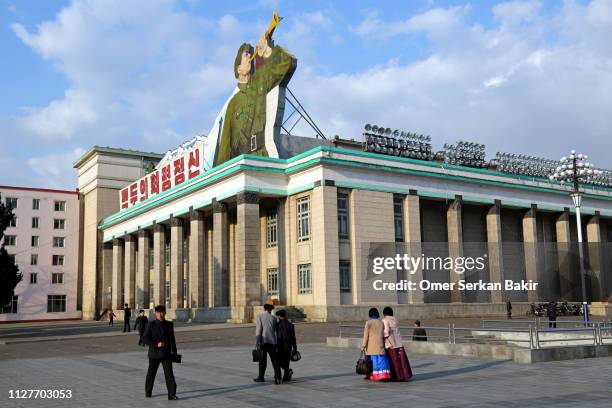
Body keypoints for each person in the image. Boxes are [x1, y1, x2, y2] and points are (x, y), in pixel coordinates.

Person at [215, 33, 296, 166]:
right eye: (246, 55)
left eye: (251, 54)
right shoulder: (233, 104)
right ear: (239, 69)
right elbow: (225, 146)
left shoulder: (260, 81)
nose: (251, 57)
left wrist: (268, 51)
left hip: (263, 156)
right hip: (241, 165)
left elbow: (287, 64)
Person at [142, 305, 178, 400]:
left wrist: (174, 351)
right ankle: (148, 392)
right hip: (154, 354)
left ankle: (172, 394)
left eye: (162, 312)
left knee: (169, 374)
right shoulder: (151, 324)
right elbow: (144, 338)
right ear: (156, 314)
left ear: (165, 313)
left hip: (166, 353)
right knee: (151, 373)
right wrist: (156, 344)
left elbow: (172, 339)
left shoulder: (169, 324)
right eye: (159, 313)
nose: (161, 314)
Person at [381, 307, 413, 382]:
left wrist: (382, 335)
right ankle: (405, 375)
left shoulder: (385, 320)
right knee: (401, 360)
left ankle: (396, 376)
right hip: (399, 342)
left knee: (393, 361)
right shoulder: (395, 319)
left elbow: (386, 332)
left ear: (384, 313)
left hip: (391, 343)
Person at [254, 301, 281, 384]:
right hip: (272, 342)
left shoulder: (259, 316)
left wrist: (257, 342)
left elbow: (259, 330)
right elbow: (276, 331)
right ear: (271, 309)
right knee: (274, 360)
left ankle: (261, 377)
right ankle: (277, 377)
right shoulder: (274, 318)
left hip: (263, 342)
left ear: (264, 308)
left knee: (262, 360)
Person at [362, 308, 391, 381]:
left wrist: (363, 345)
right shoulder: (381, 322)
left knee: (374, 361)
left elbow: (366, 336)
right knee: (382, 360)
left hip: (371, 346)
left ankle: (375, 376)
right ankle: (384, 375)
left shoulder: (368, 323)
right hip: (380, 344)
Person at [275, 309, 297, 383]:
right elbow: (293, 338)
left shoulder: (278, 325)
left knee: (278, 362)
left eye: (278, 316)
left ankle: (287, 372)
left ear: (280, 316)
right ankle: (286, 377)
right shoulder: (291, 325)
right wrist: (295, 348)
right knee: (286, 362)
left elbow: (277, 336)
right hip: (289, 346)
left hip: (280, 346)